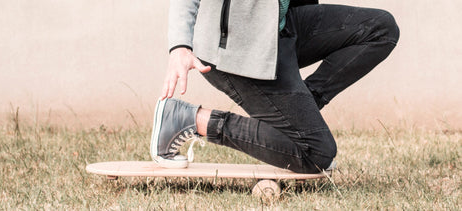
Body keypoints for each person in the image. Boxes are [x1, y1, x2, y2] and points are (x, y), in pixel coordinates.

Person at [150, 0, 399, 173]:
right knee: (317, 153)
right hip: (234, 52)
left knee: (380, 29)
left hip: (279, 28)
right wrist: (180, 45)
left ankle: (302, 110)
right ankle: (189, 119)